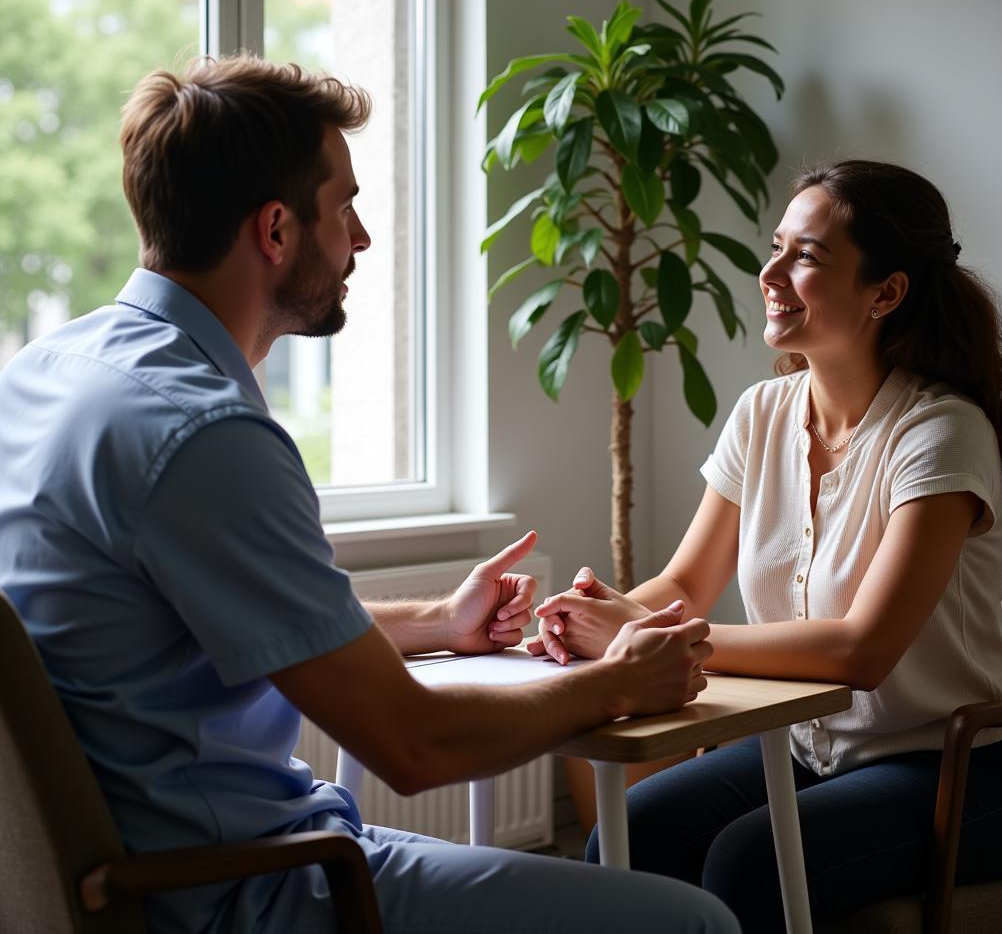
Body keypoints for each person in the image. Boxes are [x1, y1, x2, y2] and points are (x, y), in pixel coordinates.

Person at [0, 54, 740, 934]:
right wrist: (618, 682)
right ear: (275, 230)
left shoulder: (50, 374)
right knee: (693, 924)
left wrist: (437, 622)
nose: (362, 237)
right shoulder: (204, 434)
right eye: (344, 204)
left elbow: (212, 619)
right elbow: (414, 745)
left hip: (126, 878)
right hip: (241, 892)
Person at [529, 160, 1002, 930]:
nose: (769, 273)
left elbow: (862, 650)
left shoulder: (941, 432)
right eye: (777, 246)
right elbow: (686, 584)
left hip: (957, 766)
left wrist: (642, 634)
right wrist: (593, 614)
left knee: (749, 861)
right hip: (804, 749)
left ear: (885, 293)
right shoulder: (762, 412)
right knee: (629, 833)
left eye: (807, 257)